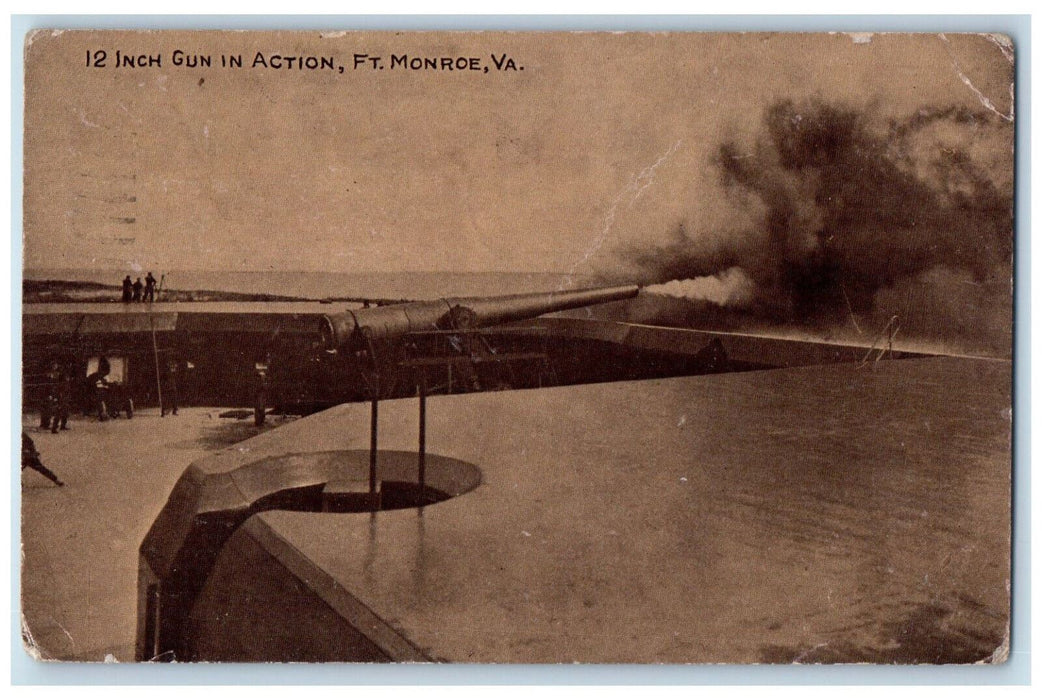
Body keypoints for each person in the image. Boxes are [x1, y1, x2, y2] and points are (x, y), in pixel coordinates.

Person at [49, 369, 72, 433]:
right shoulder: (61, 385)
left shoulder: (65, 384)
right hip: (61, 400)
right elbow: (58, 393)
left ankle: (62, 425)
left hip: (64, 400)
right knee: (58, 414)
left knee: (65, 413)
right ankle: (54, 428)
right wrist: (57, 400)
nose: (68, 378)